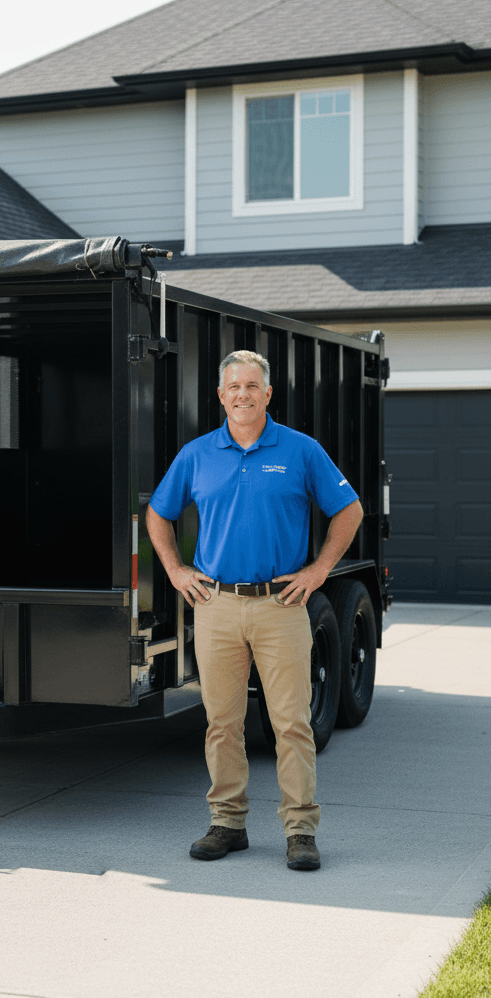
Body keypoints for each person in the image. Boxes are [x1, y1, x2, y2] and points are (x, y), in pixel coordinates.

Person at [146, 350, 363, 871]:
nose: (242, 393)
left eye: (251, 385)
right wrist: (177, 572)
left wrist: (317, 573)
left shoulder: (300, 451)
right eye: (233, 386)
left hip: (280, 606)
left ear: (268, 394)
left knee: (291, 723)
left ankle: (300, 830)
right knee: (222, 722)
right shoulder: (197, 454)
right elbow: (158, 514)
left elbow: (349, 510)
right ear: (220, 396)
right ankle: (227, 823)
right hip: (216, 605)